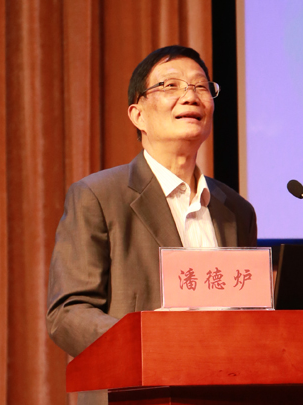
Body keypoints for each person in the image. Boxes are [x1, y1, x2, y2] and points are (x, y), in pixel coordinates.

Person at [46, 45, 257, 405]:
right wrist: (147, 341)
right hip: (134, 394)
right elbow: (67, 314)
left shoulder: (237, 210)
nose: (190, 96)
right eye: (171, 86)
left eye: (201, 87)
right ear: (138, 115)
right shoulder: (98, 196)